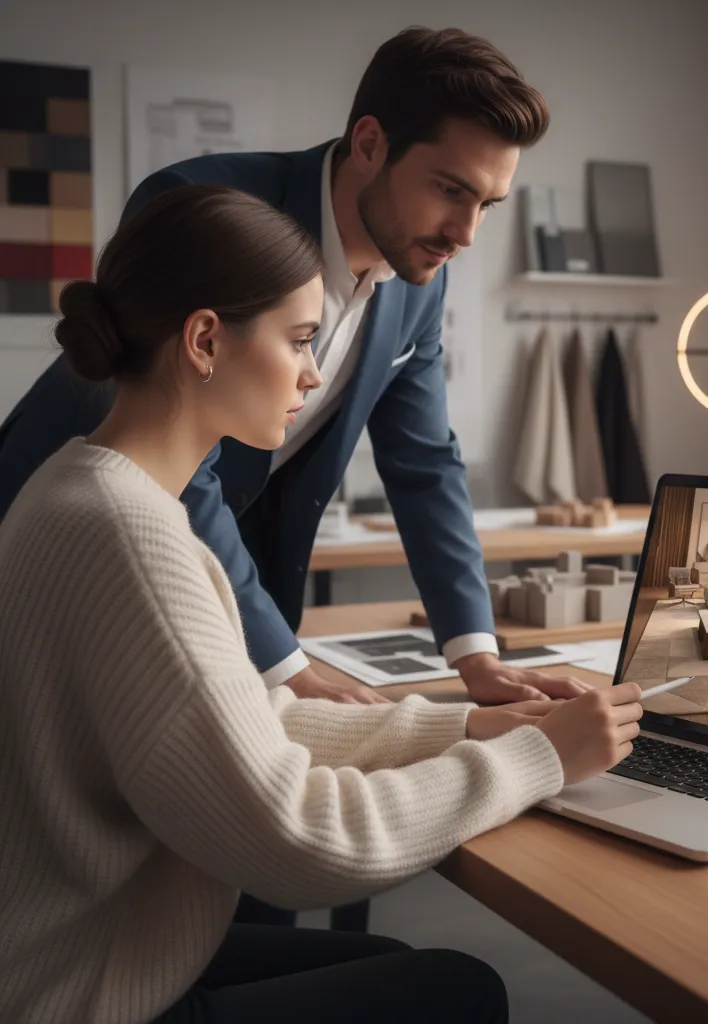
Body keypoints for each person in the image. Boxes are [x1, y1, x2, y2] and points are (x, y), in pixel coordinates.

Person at [0, 184, 644, 1024]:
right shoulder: (132, 537)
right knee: (456, 989)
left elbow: (242, 726)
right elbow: (301, 841)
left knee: (400, 968)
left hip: (79, 948)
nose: (313, 372)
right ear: (204, 340)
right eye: (301, 339)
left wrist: (468, 726)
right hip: (74, 993)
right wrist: (539, 759)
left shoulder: (82, 486)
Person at [0, 25, 580, 711]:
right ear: (370, 143)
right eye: (452, 190)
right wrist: (288, 670)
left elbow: (424, 461)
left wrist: (476, 656)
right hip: (68, 547)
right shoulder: (203, 203)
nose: (467, 233)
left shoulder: (421, 276)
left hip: (233, 584)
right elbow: (176, 450)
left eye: (487, 204)